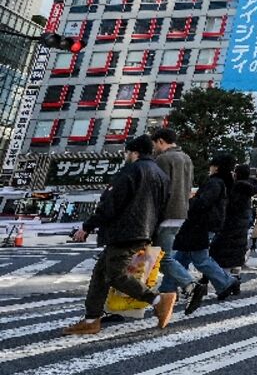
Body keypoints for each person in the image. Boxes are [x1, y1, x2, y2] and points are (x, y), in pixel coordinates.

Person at [63, 135, 177, 335]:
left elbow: (110, 204)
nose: (126, 156)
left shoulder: (131, 171)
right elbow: (164, 207)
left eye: (127, 152)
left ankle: (158, 300)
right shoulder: (161, 175)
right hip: (144, 231)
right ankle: (91, 319)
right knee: (101, 274)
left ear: (134, 153)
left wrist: (87, 226)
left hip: (124, 231)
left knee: (116, 274)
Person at [173, 153, 239, 304]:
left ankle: (226, 282)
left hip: (199, 225)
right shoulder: (222, 182)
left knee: (199, 259)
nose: (210, 167)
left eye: (212, 165)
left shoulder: (215, 183)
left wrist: (190, 200)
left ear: (216, 167)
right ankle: (170, 288)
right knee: (180, 257)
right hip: (200, 225)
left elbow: (203, 203)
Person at [151, 127, 203, 312]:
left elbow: (158, 188)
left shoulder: (163, 159)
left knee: (162, 258)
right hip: (181, 212)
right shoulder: (186, 158)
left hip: (165, 213)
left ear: (160, 141)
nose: (154, 148)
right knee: (165, 255)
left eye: (154, 144)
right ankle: (169, 289)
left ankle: (191, 285)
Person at [212, 164, 257, 280]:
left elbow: (229, 206)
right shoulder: (248, 189)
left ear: (237, 174)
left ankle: (224, 282)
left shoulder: (236, 189)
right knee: (236, 254)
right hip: (242, 226)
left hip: (230, 225)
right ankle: (235, 279)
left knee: (221, 253)